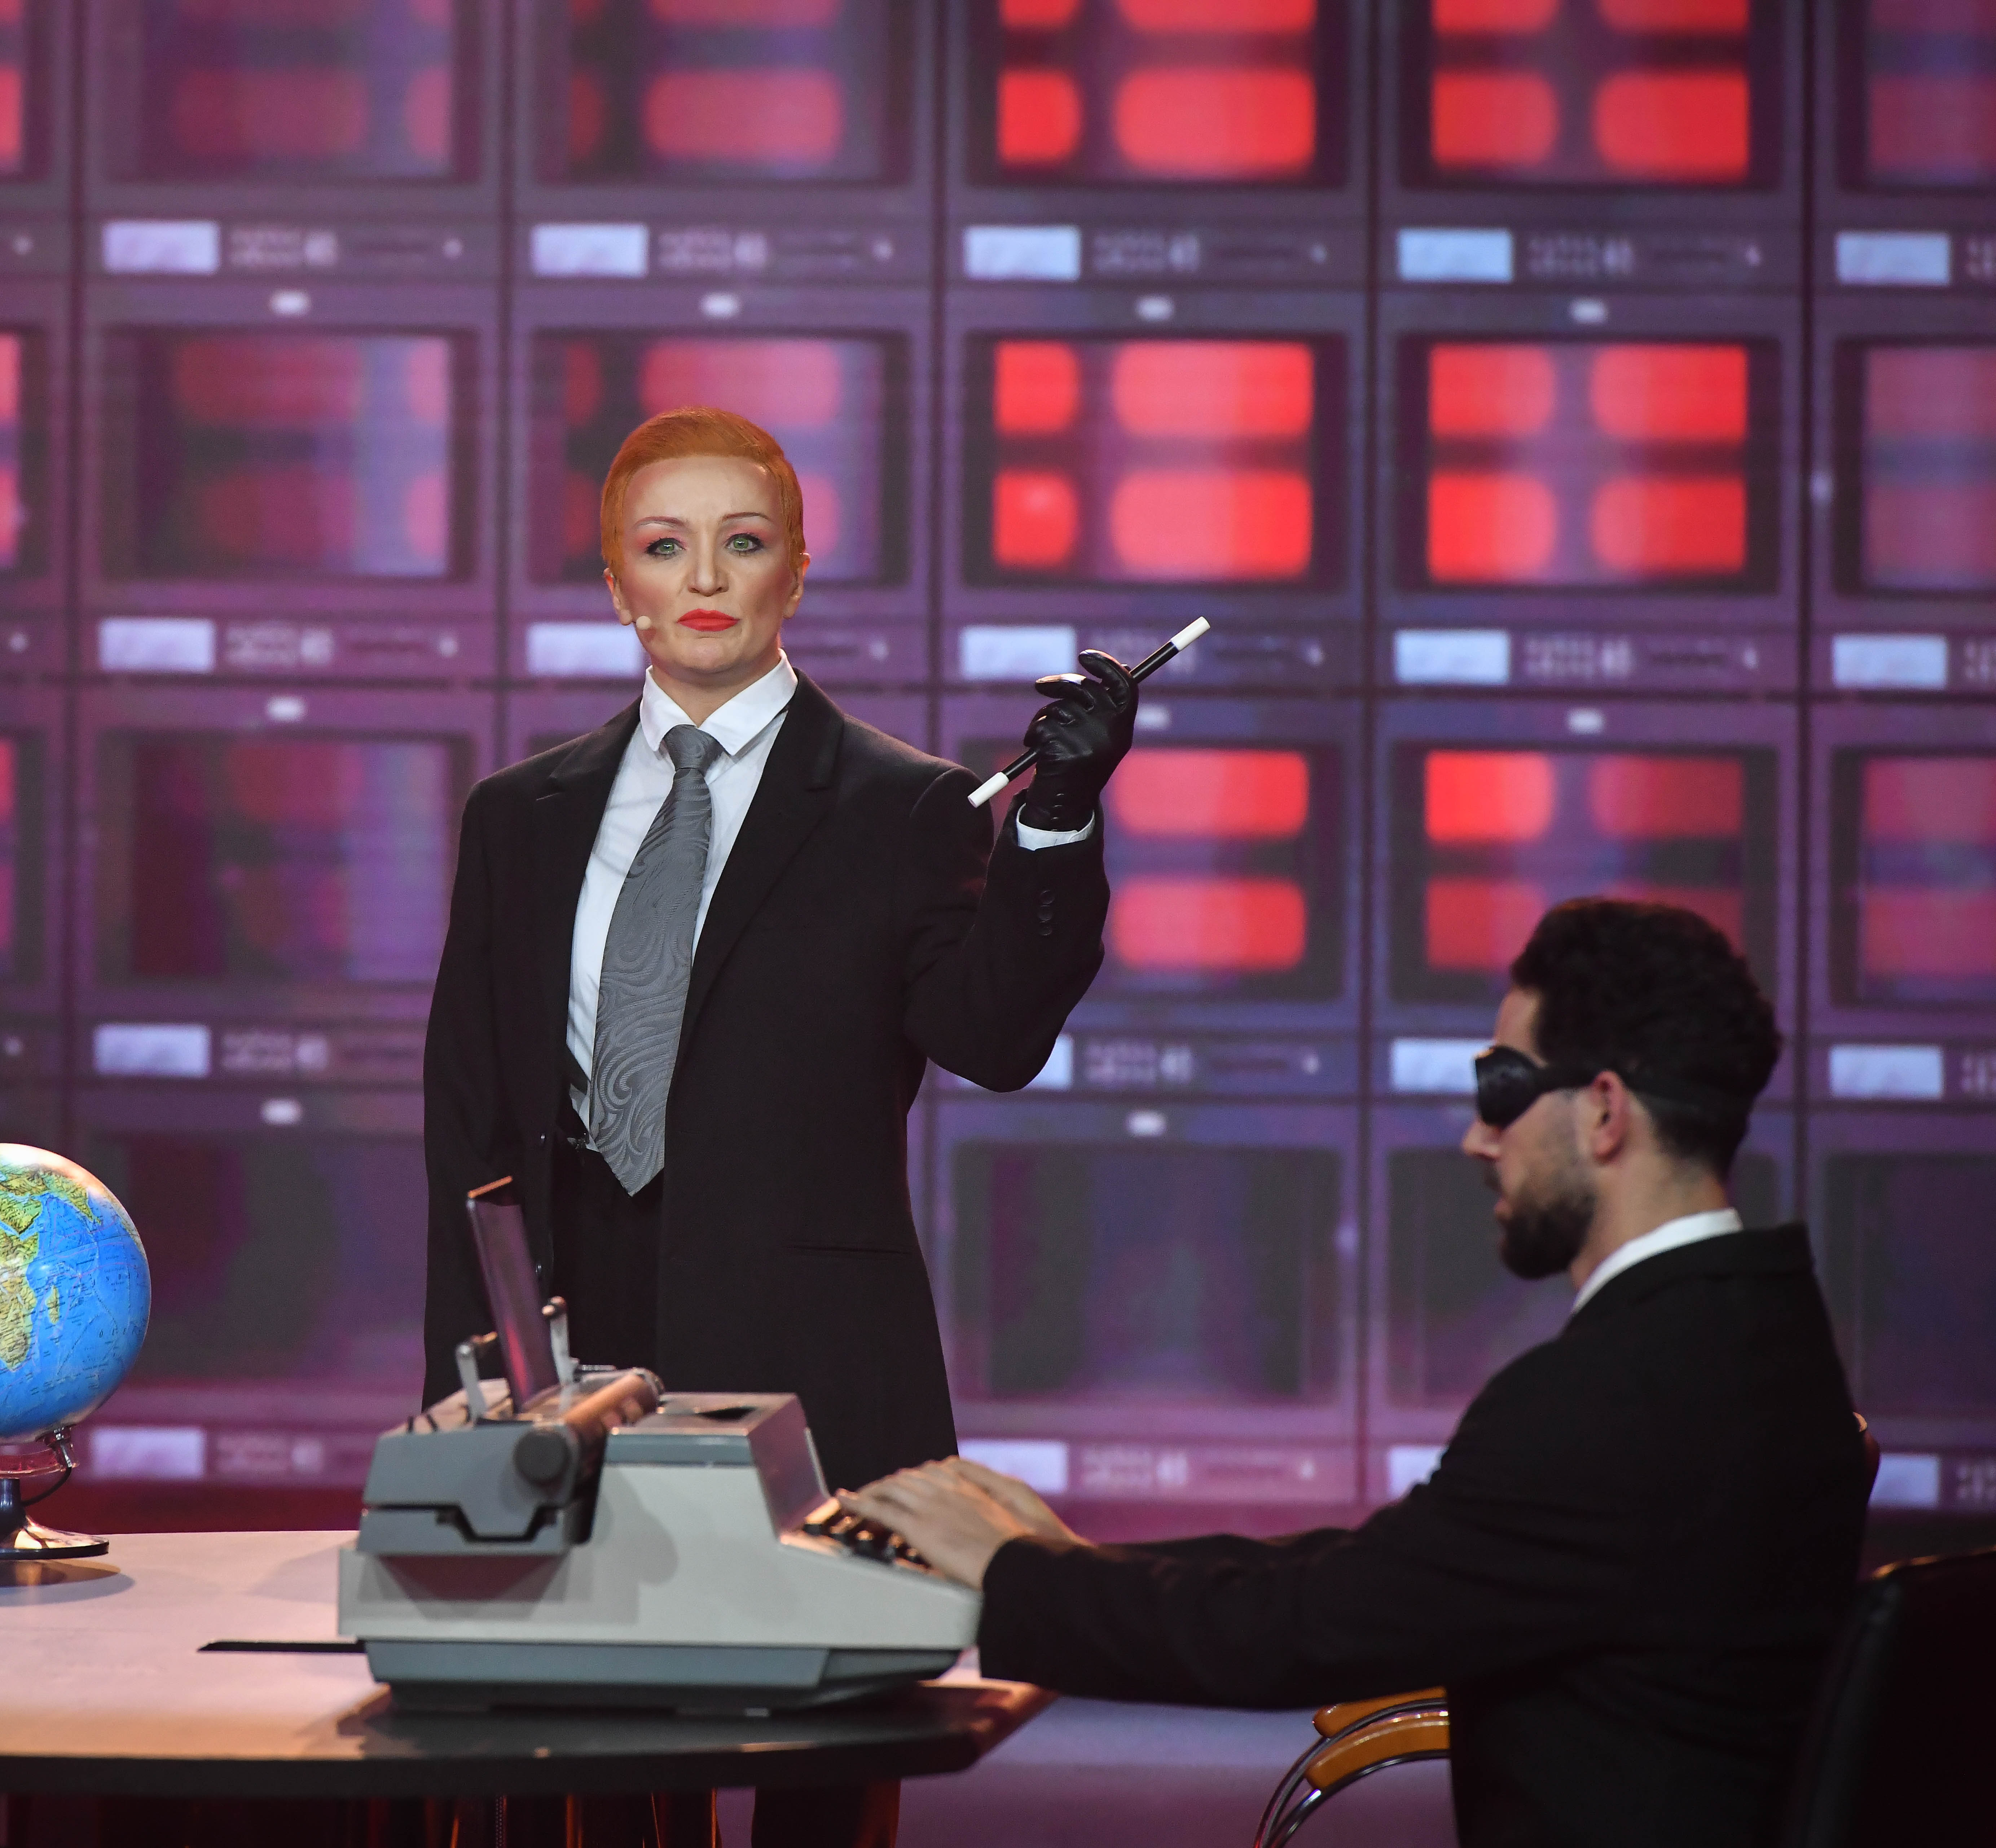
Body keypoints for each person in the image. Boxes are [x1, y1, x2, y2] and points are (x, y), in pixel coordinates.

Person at [847, 899, 1870, 1848]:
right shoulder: (1764, 1339)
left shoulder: (1607, 1401)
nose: (1478, 1138)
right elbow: (1385, 1572)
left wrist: (1012, 1573)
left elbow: (1307, 1630)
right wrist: (1066, 1560)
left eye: (1502, 1089)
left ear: (1605, 1112)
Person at [421, 404, 1135, 1495]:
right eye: (665, 546)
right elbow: (468, 1135)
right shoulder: (518, 818)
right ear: (617, 584)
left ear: (795, 574)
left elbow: (993, 1041)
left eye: (744, 542)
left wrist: (1057, 818)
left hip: (812, 1381)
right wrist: (462, 1395)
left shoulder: (904, 808)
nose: (705, 577)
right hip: (562, 1386)